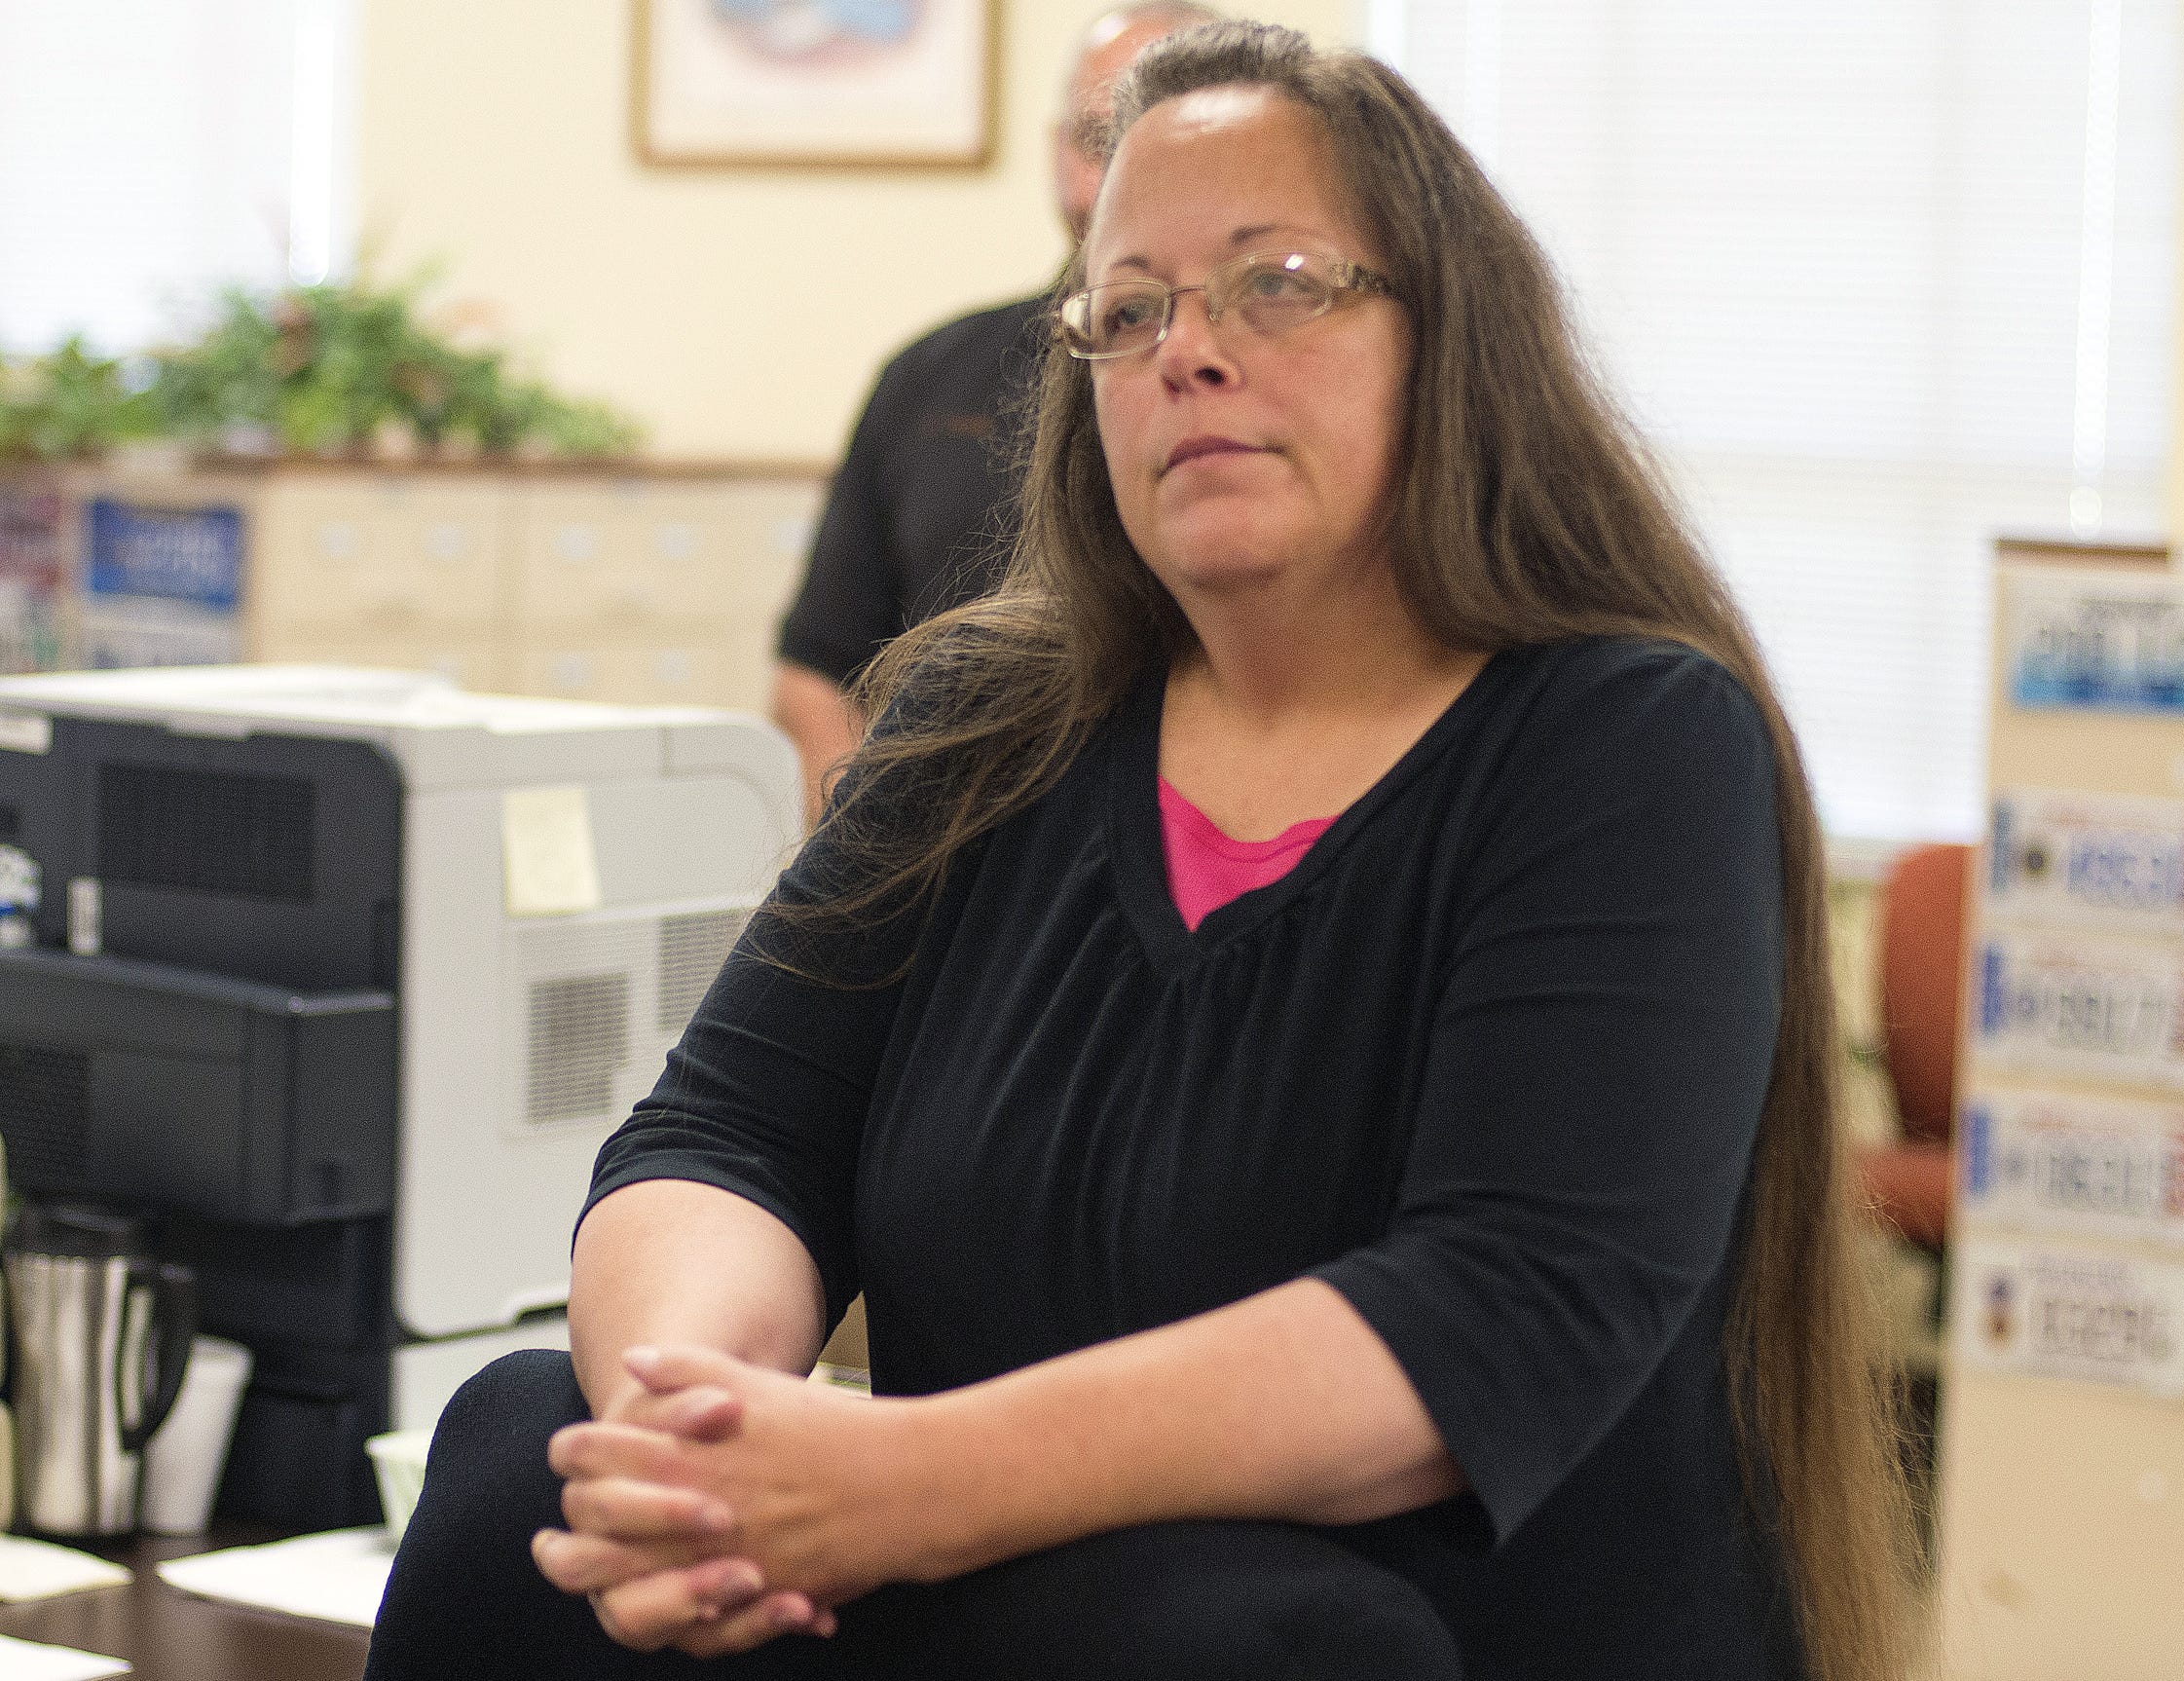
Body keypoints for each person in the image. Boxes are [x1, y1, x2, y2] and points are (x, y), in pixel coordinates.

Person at [365, 21, 1918, 1681]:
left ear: (1451, 339)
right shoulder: (983, 720)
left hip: (1403, 1642)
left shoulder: (1625, 744)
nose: (1188, 351)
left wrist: (897, 1482)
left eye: (1279, 282)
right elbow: (729, 1135)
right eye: (1128, 311)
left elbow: (1492, 1319)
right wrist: (693, 1443)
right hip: (1027, 1620)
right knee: (524, 1444)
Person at [772, 3, 1220, 820]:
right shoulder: (928, 377)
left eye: (1166, 144)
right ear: (1056, 154)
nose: (1127, 181)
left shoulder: (1264, 385)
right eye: (1100, 141)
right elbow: (819, 673)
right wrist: (864, 883)